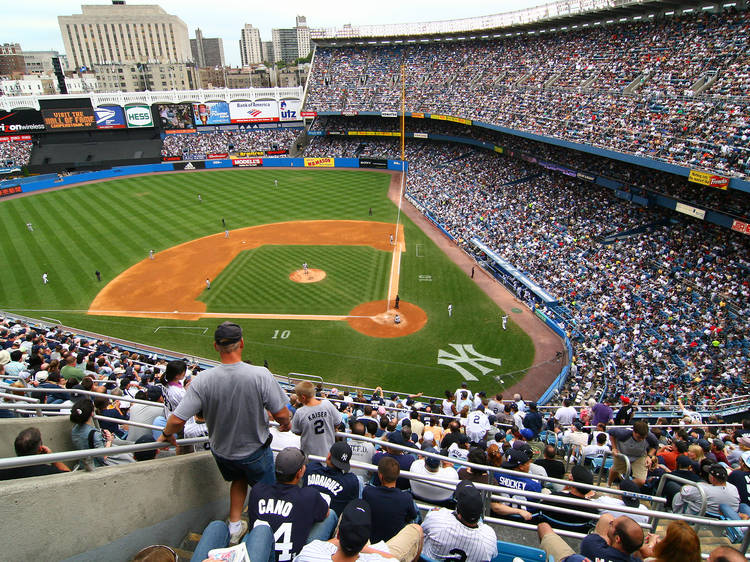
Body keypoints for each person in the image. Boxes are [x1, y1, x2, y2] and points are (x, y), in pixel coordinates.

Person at [157, 322, 291, 545]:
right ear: (242, 343)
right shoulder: (260, 374)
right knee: (266, 492)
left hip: (222, 453)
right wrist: (285, 424)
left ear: (216, 346)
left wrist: (165, 434)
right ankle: (263, 531)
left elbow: (176, 420)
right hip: (255, 451)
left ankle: (234, 526)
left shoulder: (202, 380)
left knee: (238, 480)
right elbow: (282, 415)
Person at [248, 447, 337, 559]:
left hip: (261, 555)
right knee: (331, 514)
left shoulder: (257, 490)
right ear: (299, 473)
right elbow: (326, 513)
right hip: (296, 557)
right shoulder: (309, 495)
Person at [295, 499, 423, 562]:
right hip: (371, 550)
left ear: (338, 534)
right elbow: (392, 558)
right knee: (416, 529)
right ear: (365, 542)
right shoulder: (379, 559)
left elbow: (331, 543)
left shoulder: (309, 552)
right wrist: (369, 549)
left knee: (345, 517)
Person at [421, 481, 498, 562]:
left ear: (459, 513)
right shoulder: (489, 536)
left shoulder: (439, 519)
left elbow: (422, 529)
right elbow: (493, 555)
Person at [537, 513, 644, 562]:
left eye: (612, 524)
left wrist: (607, 538)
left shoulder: (593, 546)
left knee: (544, 526)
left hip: (570, 559)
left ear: (617, 539)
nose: (609, 524)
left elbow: (605, 518)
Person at [362, 457, 419, 543]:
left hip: (371, 540)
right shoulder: (406, 498)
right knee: (414, 511)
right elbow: (413, 517)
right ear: (397, 475)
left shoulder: (368, 492)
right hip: (393, 543)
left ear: (380, 475)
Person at [302, 441, 360, 516]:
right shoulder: (350, 482)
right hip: (329, 524)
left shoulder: (311, 468)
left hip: (303, 516)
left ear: (329, 456)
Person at [292, 381, 342, 457]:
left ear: (303, 397)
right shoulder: (327, 404)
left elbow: (297, 431)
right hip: (328, 454)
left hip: (309, 456)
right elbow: (338, 423)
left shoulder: (300, 412)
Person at [0, 427, 71, 480]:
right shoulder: (48, 471)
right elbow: (69, 477)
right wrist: (53, 458)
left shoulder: (4, 471)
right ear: (40, 448)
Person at [673, 464, 740, 515]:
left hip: (698, 519)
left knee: (678, 495)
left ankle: (676, 517)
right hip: (723, 522)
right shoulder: (733, 488)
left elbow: (683, 491)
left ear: (712, 478)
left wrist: (692, 485)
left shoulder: (702, 488)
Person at [608, 421, 659, 487]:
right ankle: (608, 484)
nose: (640, 439)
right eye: (638, 437)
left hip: (639, 456)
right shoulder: (623, 434)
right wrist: (614, 448)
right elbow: (611, 433)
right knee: (615, 470)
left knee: (641, 481)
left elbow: (655, 446)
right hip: (623, 454)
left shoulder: (650, 437)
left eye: (643, 438)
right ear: (634, 432)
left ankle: (622, 488)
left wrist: (649, 456)